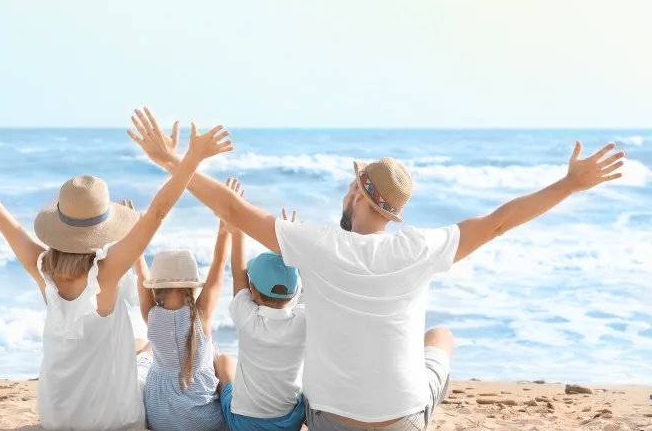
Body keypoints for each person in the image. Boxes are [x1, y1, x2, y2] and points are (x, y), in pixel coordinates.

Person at [127, 107, 625, 430]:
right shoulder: (419, 247)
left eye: (351, 187)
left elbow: (233, 210)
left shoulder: (317, 245)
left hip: (329, 420)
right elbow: (498, 223)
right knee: (442, 338)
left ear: (358, 194)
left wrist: (173, 160)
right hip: (403, 419)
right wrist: (569, 185)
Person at [0, 120, 233, 431]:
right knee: (147, 354)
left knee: (141, 348)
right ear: (101, 230)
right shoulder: (106, 273)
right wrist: (191, 160)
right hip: (113, 419)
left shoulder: (41, 269)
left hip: (57, 417)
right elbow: (157, 212)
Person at [139, 192, 235, 431]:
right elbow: (219, 263)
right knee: (223, 359)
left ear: (156, 287)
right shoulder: (201, 313)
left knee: (143, 348)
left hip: (160, 418)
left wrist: (137, 238)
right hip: (205, 422)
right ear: (192, 285)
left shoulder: (151, 315)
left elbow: (140, 274)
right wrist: (224, 228)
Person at [217, 202, 307, 431]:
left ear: (252, 290)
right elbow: (309, 281)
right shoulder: (304, 321)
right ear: (295, 292)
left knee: (223, 362)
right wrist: (293, 245)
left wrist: (236, 230)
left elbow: (238, 272)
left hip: (243, 423)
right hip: (289, 422)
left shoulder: (247, 318)